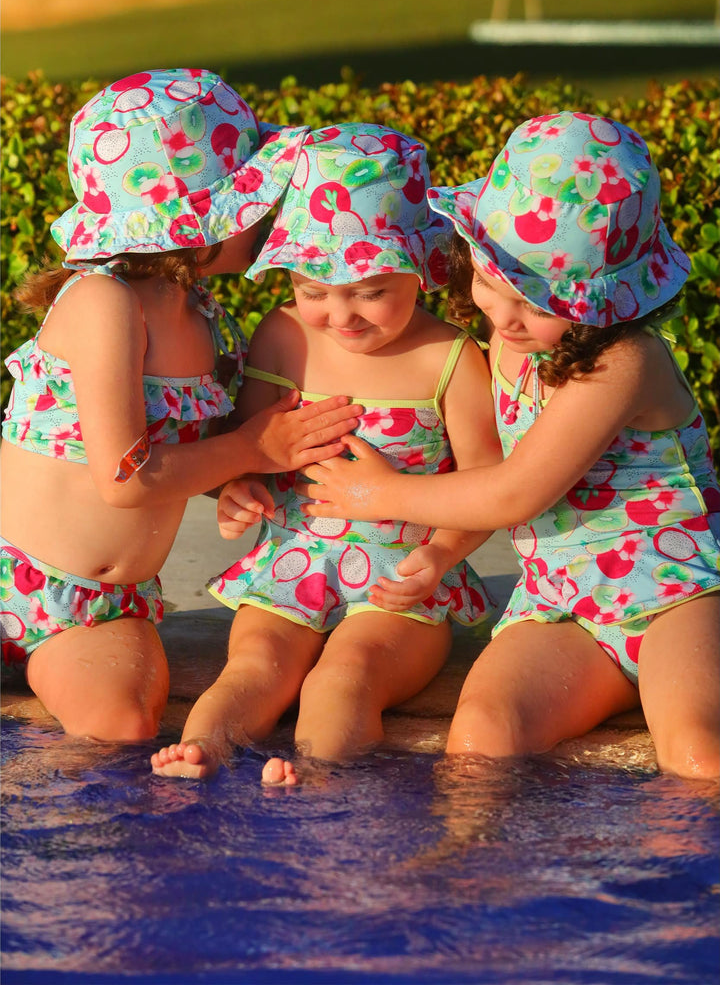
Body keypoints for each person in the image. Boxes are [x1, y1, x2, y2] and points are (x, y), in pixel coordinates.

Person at [297, 111, 720, 781]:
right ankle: (464, 874)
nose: (509, 316)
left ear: (604, 305)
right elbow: (482, 473)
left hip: (672, 592)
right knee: (481, 736)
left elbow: (516, 489)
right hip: (559, 597)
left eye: (541, 302)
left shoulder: (624, 362)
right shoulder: (508, 344)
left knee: (697, 750)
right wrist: (436, 552)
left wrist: (377, 493)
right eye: (495, 283)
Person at [0, 69, 362, 743]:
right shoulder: (103, 303)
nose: (267, 210)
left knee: (125, 726)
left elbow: (187, 449)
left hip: (104, 606)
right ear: (198, 221)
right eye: (250, 198)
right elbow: (127, 476)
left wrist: (234, 480)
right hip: (10, 573)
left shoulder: (202, 314)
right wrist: (254, 446)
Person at [150, 123, 502, 781]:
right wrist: (237, 492)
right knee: (254, 665)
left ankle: (319, 769)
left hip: (403, 572)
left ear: (420, 267)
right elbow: (249, 448)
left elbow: (488, 483)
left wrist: (441, 554)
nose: (341, 316)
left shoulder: (448, 357)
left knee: (349, 671)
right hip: (292, 556)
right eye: (314, 291)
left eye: (370, 291)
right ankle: (200, 753)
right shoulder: (283, 338)